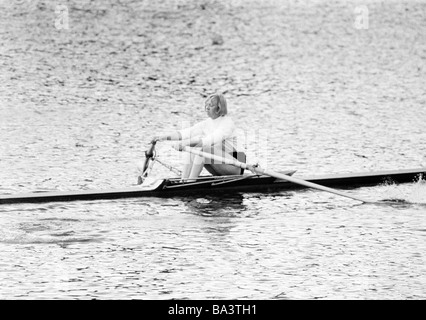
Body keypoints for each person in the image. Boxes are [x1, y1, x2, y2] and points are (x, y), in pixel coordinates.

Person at [151, 93, 246, 180]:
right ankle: (184, 180)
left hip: (237, 165)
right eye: (206, 105)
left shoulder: (227, 123)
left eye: (211, 105)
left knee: (204, 149)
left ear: (219, 108)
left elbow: (210, 140)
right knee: (194, 149)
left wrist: (184, 144)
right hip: (221, 163)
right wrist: (161, 137)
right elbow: (185, 133)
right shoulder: (207, 123)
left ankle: (190, 182)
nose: (207, 108)